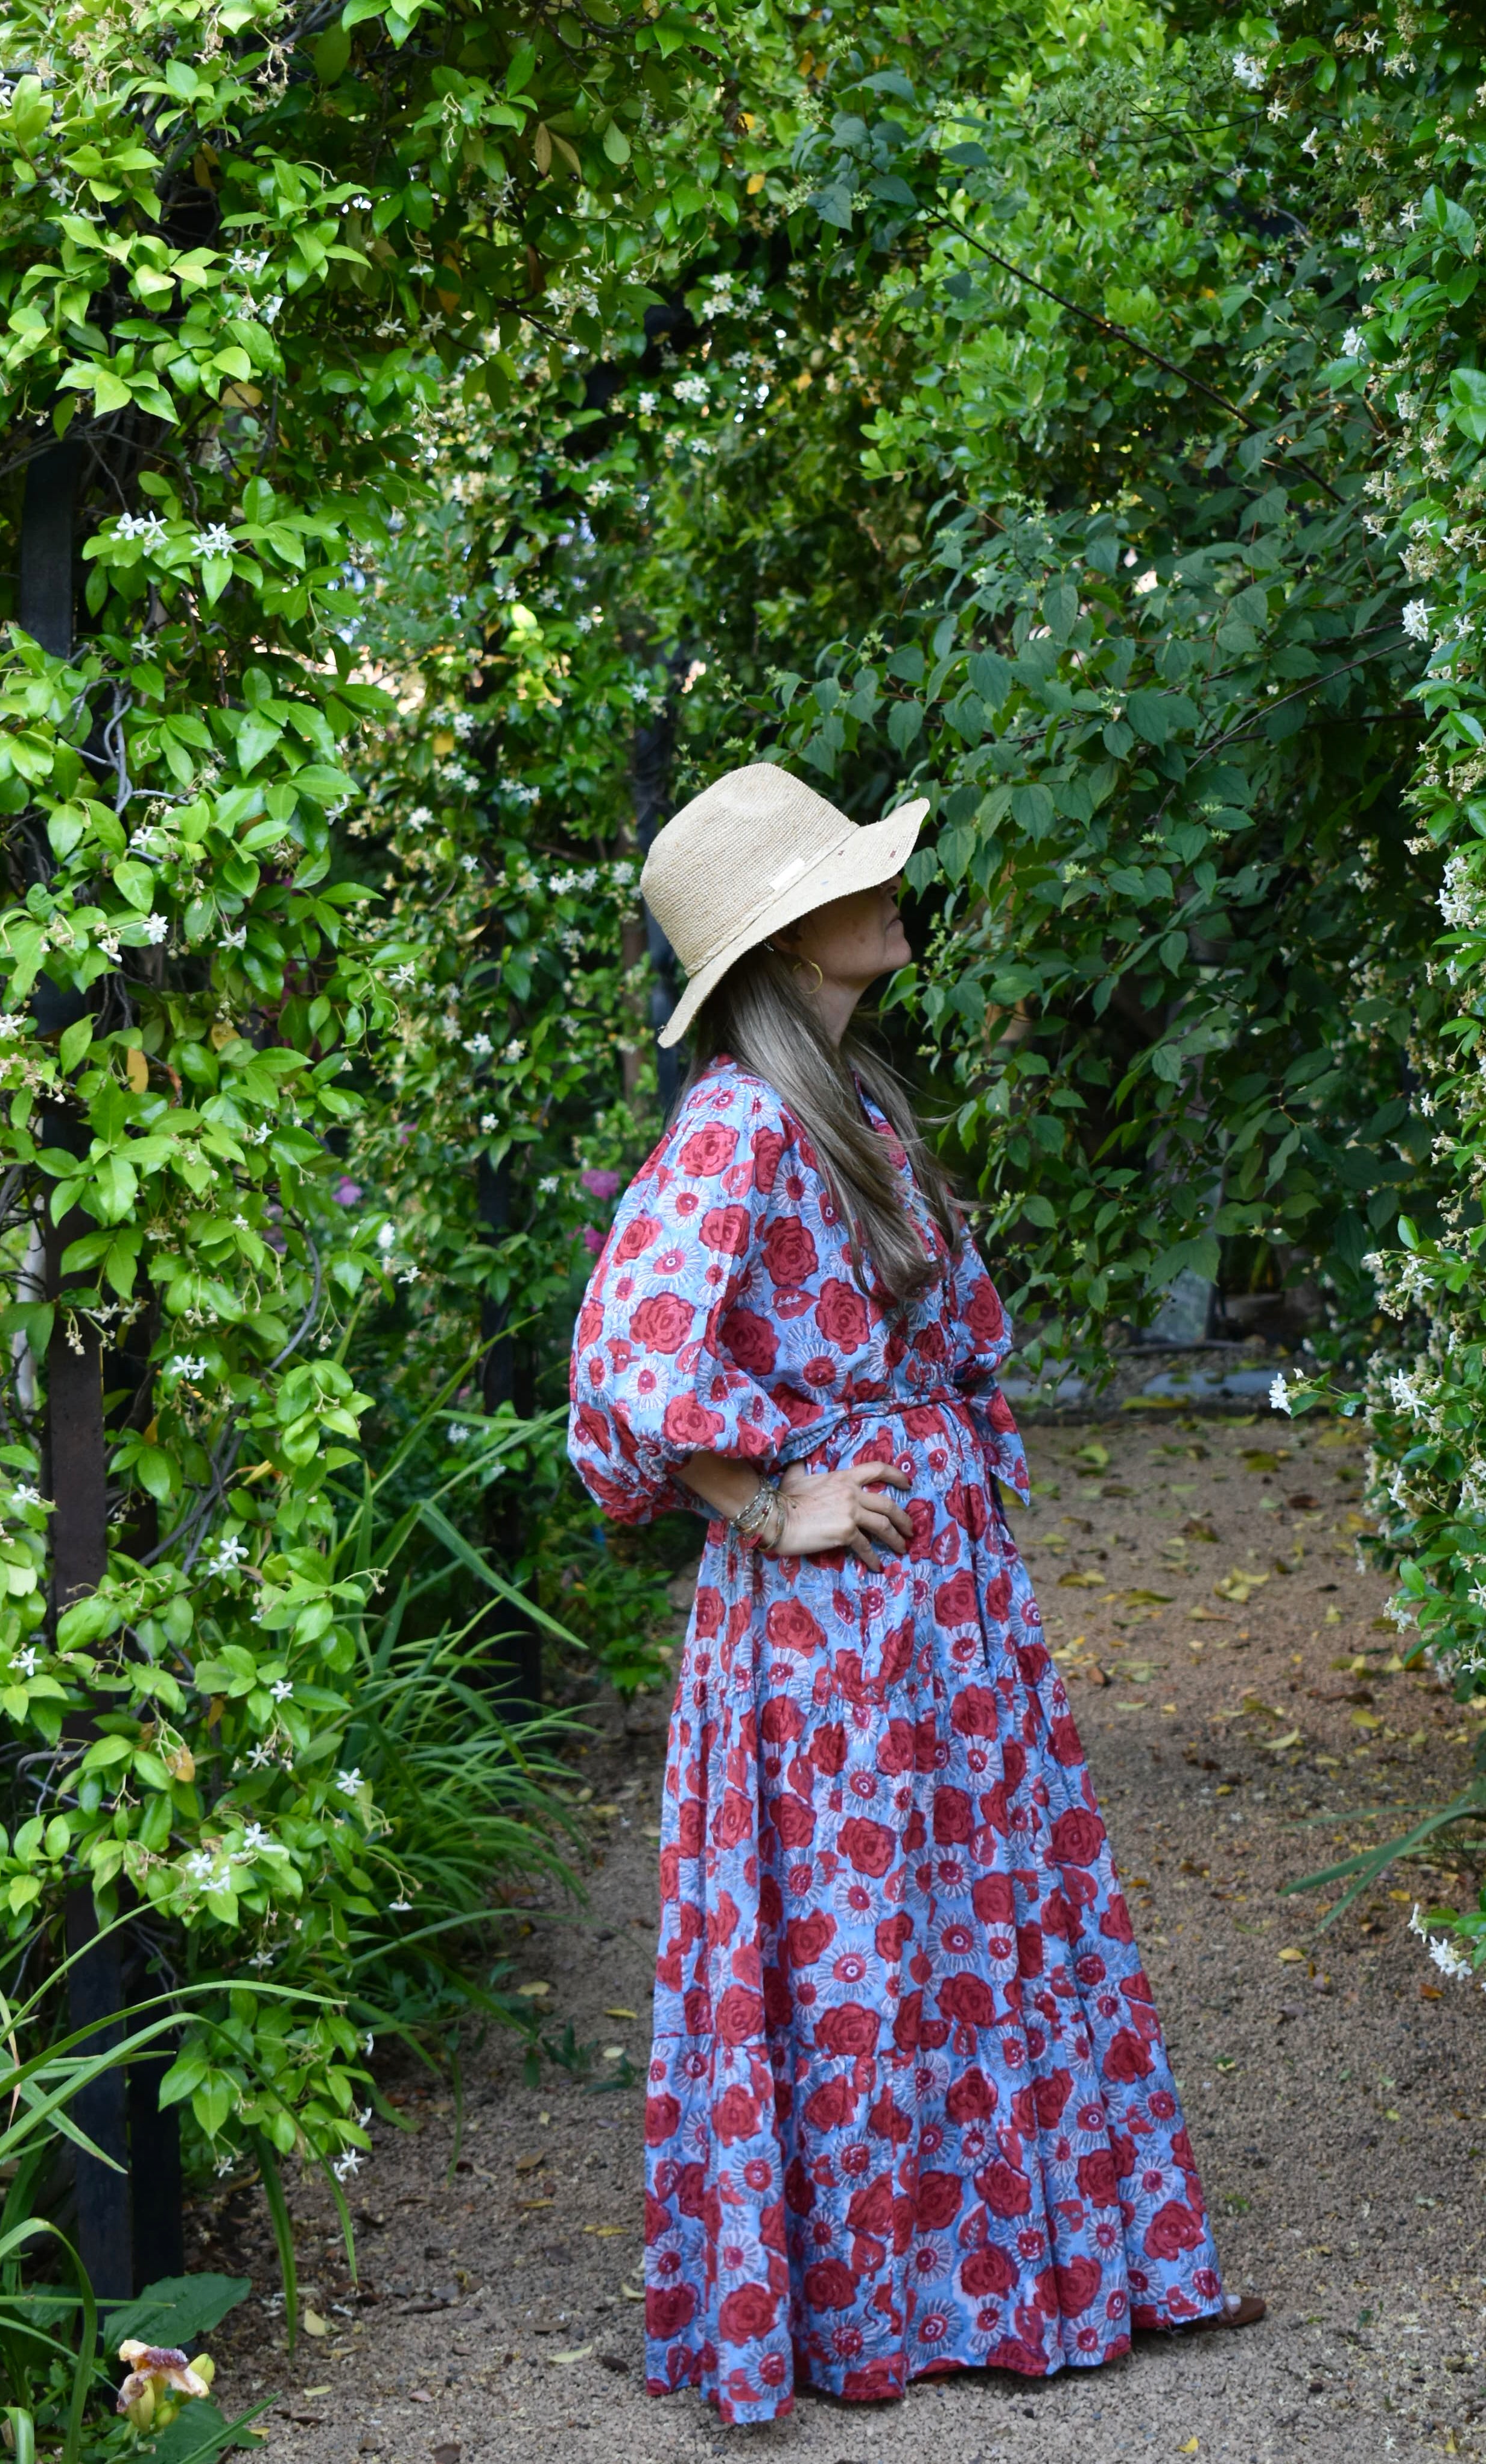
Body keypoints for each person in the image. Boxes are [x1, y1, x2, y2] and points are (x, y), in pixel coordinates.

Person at [567, 762, 1263, 2427]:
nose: (887, 894)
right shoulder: (740, 1121)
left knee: (961, 1929)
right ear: (785, 938)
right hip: (839, 1625)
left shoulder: (849, 1102)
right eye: (845, 881)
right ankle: (868, 2303)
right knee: (863, 1942)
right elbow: (626, 1365)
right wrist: (765, 1501)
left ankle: (989, 2281)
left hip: (935, 1606)